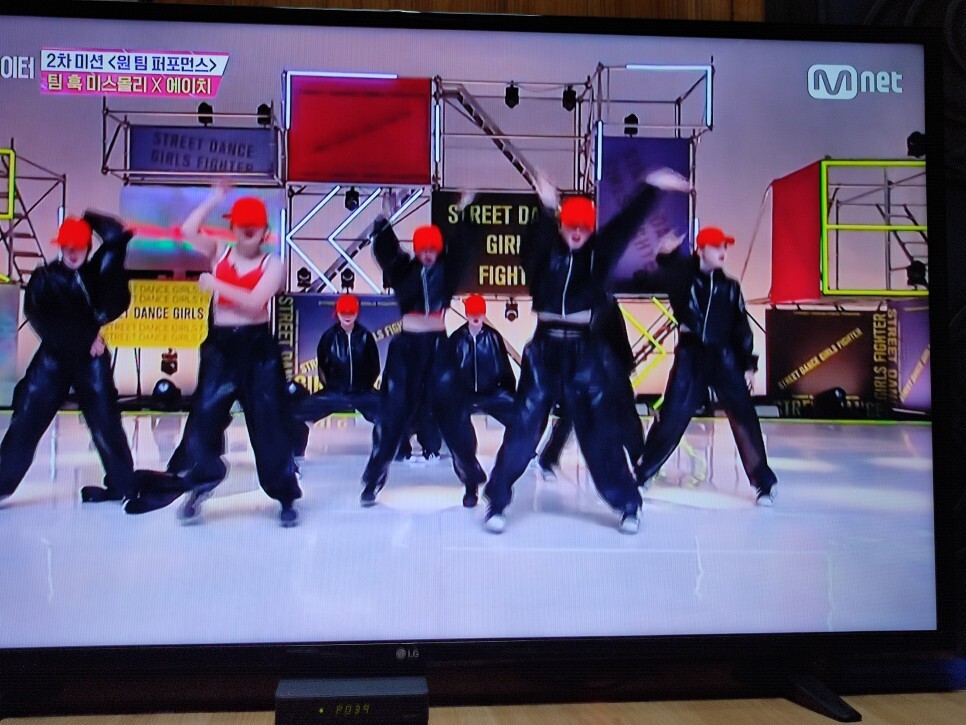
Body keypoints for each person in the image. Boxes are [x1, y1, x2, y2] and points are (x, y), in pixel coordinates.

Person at [482, 168, 690, 534]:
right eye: (570, 226)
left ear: (591, 229)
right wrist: (547, 207)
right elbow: (532, 245)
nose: (576, 232)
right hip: (543, 350)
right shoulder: (544, 254)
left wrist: (651, 187)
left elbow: (625, 225)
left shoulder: (598, 255)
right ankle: (496, 500)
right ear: (562, 226)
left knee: (598, 435)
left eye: (583, 227)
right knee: (522, 429)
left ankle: (628, 504)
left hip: (583, 352)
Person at [126, 185, 302, 526]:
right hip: (221, 349)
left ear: (265, 231)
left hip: (257, 352)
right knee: (203, 420)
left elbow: (254, 302)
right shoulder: (219, 251)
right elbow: (187, 231)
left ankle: (285, 495)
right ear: (232, 227)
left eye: (254, 225)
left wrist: (215, 284)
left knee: (269, 423)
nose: (247, 230)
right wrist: (214, 199)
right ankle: (201, 481)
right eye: (241, 224)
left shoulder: (274, 264)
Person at [635, 226, 777, 505]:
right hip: (692, 355)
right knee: (673, 414)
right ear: (701, 250)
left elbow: (741, 327)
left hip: (724, 355)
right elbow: (666, 272)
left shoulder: (730, 286)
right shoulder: (684, 280)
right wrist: (666, 254)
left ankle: (763, 482)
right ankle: (642, 474)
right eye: (716, 246)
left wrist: (748, 365)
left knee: (744, 416)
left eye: (724, 247)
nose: (722, 252)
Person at [359, 191, 485, 507]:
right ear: (416, 250)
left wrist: (465, 211)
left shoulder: (448, 270)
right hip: (406, 348)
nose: (428, 254)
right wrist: (383, 220)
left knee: (455, 416)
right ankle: (373, 480)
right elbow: (385, 251)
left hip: (438, 347)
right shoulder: (403, 269)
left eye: (433, 249)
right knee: (391, 414)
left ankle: (471, 481)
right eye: (423, 249)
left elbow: (465, 245)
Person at [0, 213, 134, 505]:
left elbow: (117, 240)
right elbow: (41, 320)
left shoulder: (97, 275)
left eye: (78, 247)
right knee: (26, 419)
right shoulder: (44, 279)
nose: (72, 253)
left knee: (106, 422)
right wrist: (86, 339)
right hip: (55, 359)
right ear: (60, 247)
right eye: (67, 247)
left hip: (89, 361)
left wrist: (92, 219)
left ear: (87, 247)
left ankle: (123, 484)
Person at [535, 296, 644, 480]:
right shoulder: (587, 302)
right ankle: (549, 458)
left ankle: (638, 459)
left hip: (606, 365)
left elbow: (617, 335)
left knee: (624, 414)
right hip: (588, 364)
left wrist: (625, 364)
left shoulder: (604, 302)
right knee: (574, 413)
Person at [433, 294, 516, 506]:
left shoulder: (494, 338)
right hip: (463, 394)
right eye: (472, 312)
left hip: (492, 393)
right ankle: (471, 483)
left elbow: (504, 369)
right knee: (458, 434)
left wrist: (508, 393)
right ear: (467, 314)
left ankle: (506, 472)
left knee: (520, 418)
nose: (476, 317)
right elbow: (448, 372)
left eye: (479, 312)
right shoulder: (456, 339)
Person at [292, 293, 381, 459]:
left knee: (390, 413)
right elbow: (323, 365)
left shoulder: (365, 336)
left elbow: (374, 365)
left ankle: (390, 454)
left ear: (357, 313)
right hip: (334, 392)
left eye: (351, 312)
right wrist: (331, 387)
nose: (347, 316)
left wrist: (365, 387)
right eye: (343, 312)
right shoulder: (329, 337)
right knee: (298, 414)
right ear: (337, 313)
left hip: (362, 392)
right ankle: (295, 454)